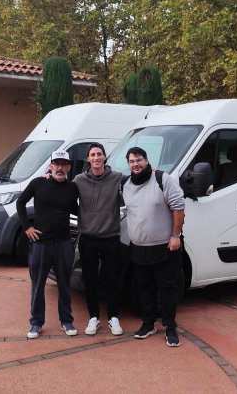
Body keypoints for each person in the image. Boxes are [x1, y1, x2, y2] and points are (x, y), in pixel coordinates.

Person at [121, 147, 185, 347]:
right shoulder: (125, 184)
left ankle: (170, 327)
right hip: (139, 247)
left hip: (165, 246)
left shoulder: (162, 179)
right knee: (145, 288)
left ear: (147, 160)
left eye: (139, 160)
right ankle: (148, 323)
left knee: (167, 288)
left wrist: (175, 236)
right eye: (131, 161)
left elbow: (178, 207)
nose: (135, 164)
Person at [16, 150, 79, 339]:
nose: (60, 168)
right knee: (38, 285)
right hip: (41, 244)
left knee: (65, 285)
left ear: (68, 167)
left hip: (63, 243)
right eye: (56, 164)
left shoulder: (72, 187)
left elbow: (77, 210)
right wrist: (27, 227)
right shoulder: (38, 183)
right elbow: (20, 203)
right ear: (50, 166)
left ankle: (66, 321)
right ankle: (36, 323)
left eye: (64, 164)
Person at [73, 142, 124, 336]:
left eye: (99, 154)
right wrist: (47, 178)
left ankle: (113, 317)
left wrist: (152, 171)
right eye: (92, 155)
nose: (96, 158)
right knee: (90, 280)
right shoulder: (78, 180)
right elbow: (64, 192)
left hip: (111, 237)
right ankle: (93, 317)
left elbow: (136, 184)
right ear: (88, 159)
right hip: (88, 238)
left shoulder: (117, 178)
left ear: (104, 157)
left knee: (112, 279)